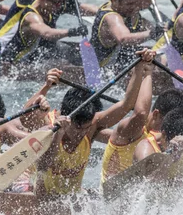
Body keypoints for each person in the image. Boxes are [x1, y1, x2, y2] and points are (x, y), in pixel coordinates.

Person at [32, 49, 155, 200]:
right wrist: (46, 87)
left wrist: (139, 67)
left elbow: (126, 105)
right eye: (77, 127)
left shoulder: (92, 126)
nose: (80, 133)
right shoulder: (49, 124)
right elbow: (43, 165)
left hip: (70, 199)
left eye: (85, 128)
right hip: (41, 199)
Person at [99, 72, 183, 184]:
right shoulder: (133, 131)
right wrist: (147, 72)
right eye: (169, 122)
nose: (172, 128)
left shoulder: (179, 138)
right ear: (156, 115)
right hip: (116, 197)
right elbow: (141, 114)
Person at [91, 0, 160, 69]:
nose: (134, 7)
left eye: (134, 3)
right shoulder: (112, 18)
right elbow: (123, 39)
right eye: (129, 4)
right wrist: (151, 33)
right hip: (102, 69)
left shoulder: (122, 0)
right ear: (114, 0)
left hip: (119, 58)